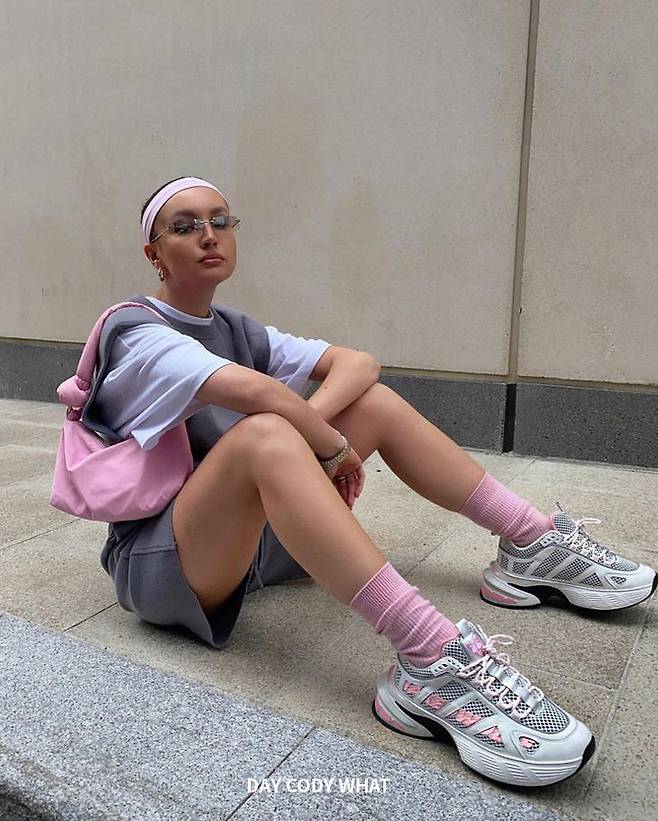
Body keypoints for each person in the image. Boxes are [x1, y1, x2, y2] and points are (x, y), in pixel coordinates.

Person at [90, 176, 656, 788]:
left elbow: (358, 364)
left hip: (257, 542)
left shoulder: (236, 327)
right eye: (184, 227)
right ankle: (430, 659)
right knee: (266, 433)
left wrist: (312, 435)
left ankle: (529, 543)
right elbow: (254, 393)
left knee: (371, 402)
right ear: (153, 253)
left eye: (220, 221)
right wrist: (326, 445)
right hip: (168, 564)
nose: (208, 236)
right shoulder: (133, 329)